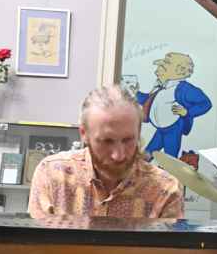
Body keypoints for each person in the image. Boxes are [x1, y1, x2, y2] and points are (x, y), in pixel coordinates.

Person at [28, 85, 183, 219]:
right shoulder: (52, 174)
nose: (119, 155)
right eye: (106, 141)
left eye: (128, 140)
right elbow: (36, 244)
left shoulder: (165, 189)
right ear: (84, 134)